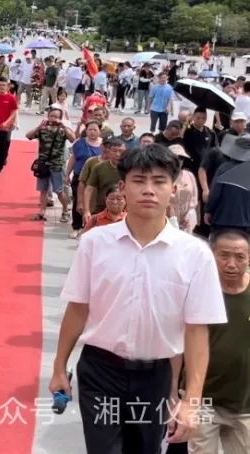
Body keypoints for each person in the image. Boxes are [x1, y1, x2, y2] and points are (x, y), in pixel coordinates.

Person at [49, 144, 228, 454]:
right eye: (139, 180)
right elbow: (77, 309)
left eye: (159, 181)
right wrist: (58, 367)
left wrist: (191, 401)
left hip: (156, 376)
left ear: (173, 189)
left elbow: (197, 331)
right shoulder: (95, 243)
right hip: (100, 371)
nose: (149, 190)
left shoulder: (195, 254)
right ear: (122, 187)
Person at [190, 229, 250, 453]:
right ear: (211, 255)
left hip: (245, 403)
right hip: (203, 400)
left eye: (240, 257)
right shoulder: (197, 290)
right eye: (224, 256)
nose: (231, 264)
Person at [26, 106, 76, 222]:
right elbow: (28, 136)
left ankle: (65, 211)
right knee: (43, 190)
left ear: (60, 118)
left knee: (59, 191)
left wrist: (64, 125)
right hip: (43, 164)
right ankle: (42, 213)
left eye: (56, 117)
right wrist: (39, 127)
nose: (53, 119)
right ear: (48, 116)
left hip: (57, 164)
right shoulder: (43, 129)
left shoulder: (63, 130)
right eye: (51, 116)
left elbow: (73, 139)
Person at [81, 136, 127, 229]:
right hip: (101, 210)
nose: (118, 154)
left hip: (125, 212)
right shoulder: (99, 167)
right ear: (108, 151)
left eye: (121, 151)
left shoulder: (130, 168)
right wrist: (86, 211)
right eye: (114, 151)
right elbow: (89, 189)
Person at [68, 121, 104, 238]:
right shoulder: (79, 143)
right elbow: (73, 159)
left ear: (100, 131)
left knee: (94, 202)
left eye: (95, 130)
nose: (92, 132)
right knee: (78, 201)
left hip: (97, 178)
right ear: (86, 130)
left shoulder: (104, 145)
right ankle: (76, 227)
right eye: (90, 129)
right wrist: (67, 174)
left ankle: (91, 226)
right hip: (79, 176)